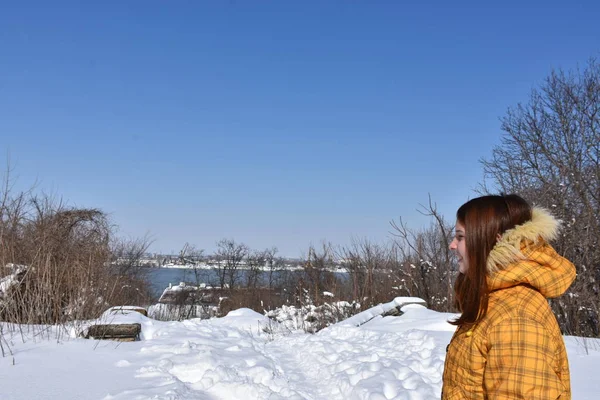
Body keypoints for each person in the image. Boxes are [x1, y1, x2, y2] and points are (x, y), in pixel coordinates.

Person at [441, 194, 575, 399]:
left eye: (460, 237)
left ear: (494, 240)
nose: (452, 245)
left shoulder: (516, 320)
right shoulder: (496, 300)